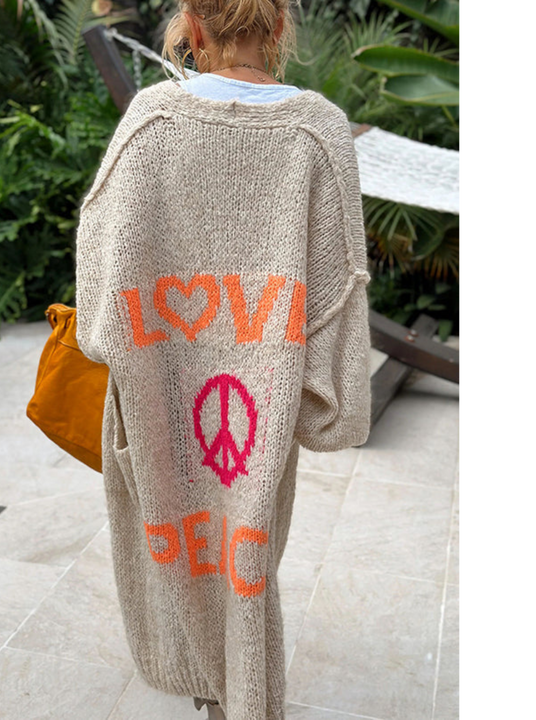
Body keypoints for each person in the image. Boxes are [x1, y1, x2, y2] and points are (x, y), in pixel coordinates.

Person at [74, 2, 372, 719]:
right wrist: (325, 402)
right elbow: (339, 288)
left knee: (174, 548)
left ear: (194, 28)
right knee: (245, 553)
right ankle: (237, 693)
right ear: (278, 28)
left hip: (157, 401)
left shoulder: (150, 122)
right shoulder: (318, 131)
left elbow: (99, 290)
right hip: (263, 405)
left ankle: (219, 690)